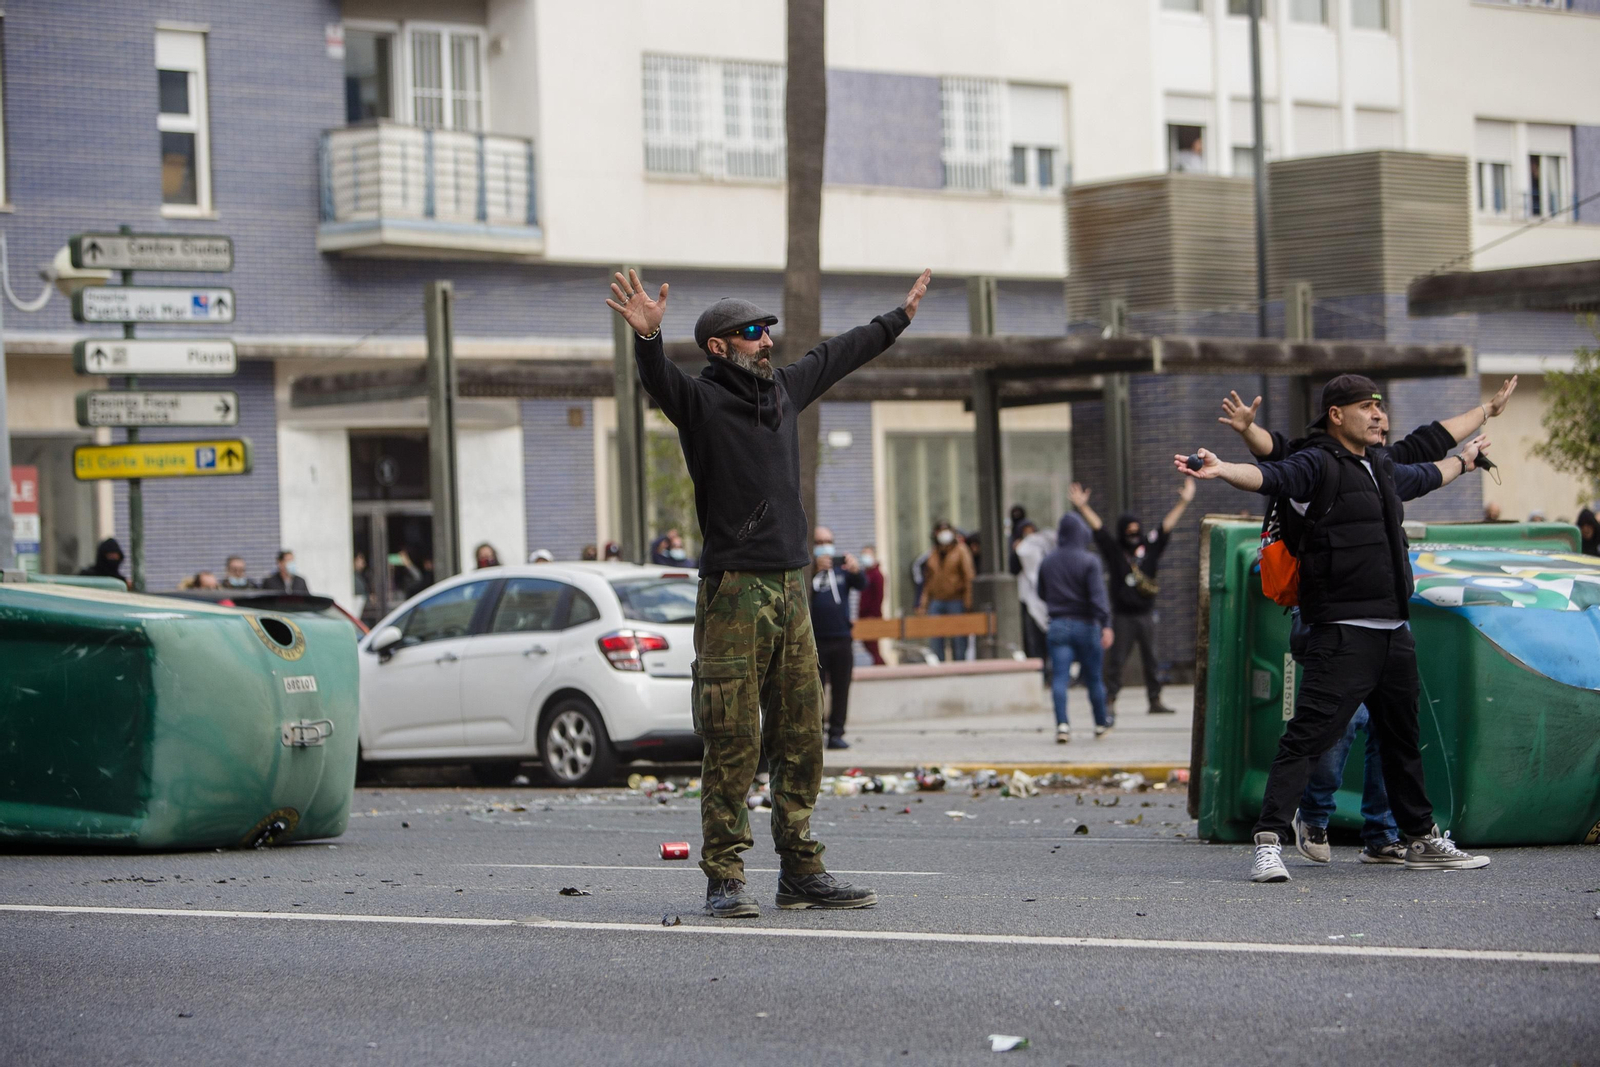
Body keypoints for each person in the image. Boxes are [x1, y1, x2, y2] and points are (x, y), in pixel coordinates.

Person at [607, 265, 930, 918]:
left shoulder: (783, 389)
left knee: (802, 734)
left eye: (766, 330)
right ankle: (724, 876)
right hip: (734, 590)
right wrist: (647, 338)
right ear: (719, 346)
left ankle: (801, 869)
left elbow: (838, 354)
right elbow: (659, 380)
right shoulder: (700, 402)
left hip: (791, 587)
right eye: (753, 332)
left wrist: (897, 319)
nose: (766, 341)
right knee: (732, 738)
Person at [1178, 373, 1494, 881]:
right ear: (1336, 415)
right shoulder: (1316, 463)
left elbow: (1428, 472)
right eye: (1367, 407)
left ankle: (1418, 838)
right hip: (1342, 631)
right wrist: (1222, 469)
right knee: (1309, 737)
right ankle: (1269, 843)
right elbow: (1270, 475)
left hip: (1394, 630)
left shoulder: (1382, 466)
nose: (1379, 415)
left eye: (1380, 407)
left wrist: (1466, 458)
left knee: (1402, 741)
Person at [1069, 479, 1195, 716]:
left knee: (1152, 659)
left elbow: (1166, 527)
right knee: (1116, 659)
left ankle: (1155, 700)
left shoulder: (1149, 547)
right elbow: (1099, 530)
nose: (1134, 534)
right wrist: (1083, 507)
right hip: (1123, 616)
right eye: (1129, 530)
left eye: (1137, 529)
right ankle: (1110, 700)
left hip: (1146, 613)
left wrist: (1184, 502)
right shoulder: (1115, 550)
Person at [1037, 512, 1114, 742]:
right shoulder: (1089, 561)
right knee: (1094, 678)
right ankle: (1100, 723)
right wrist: (1106, 624)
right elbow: (1098, 597)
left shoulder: (1048, 561)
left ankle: (1062, 726)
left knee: (1059, 678)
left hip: (1058, 624)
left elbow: (1041, 592)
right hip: (1086, 625)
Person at [809, 526, 866, 750]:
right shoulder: (807, 570)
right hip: (816, 640)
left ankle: (836, 733)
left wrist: (856, 569)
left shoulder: (841, 569)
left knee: (841, 688)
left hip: (841, 637)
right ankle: (814, 734)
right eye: (820, 542)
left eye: (828, 541)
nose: (825, 546)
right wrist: (813, 569)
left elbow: (862, 584)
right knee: (815, 690)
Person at [916, 521, 975, 661]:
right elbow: (928, 581)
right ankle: (939, 667)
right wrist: (923, 603)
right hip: (936, 601)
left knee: (959, 639)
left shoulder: (961, 550)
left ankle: (960, 667)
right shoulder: (933, 553)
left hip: (956, 600)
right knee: (935, 639)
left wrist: (968, 601)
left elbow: (969, 577)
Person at [1013, 519, 1056, 683]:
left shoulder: (1047, 554)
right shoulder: (1021, 552)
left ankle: (1051, 672)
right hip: (1029, 602)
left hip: (1047, 604)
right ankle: (1040, 672)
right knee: (1033, 640)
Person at [856, 543, 887, 666]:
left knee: (873, 646)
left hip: (872, 616)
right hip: (863, 615)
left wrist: (873, 615)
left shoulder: (877, 575)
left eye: (867, 554)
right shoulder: (866, 574)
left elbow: (879, 597)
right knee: (867, 644)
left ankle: (880, 666)